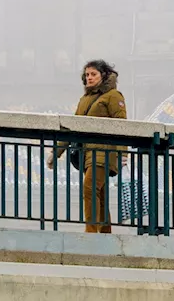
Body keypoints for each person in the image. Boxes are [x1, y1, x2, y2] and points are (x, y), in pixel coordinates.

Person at [46, 60, 126, 233]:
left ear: (103, 75)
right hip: (88, 152)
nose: (89, 78)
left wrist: (123, 153)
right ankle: (105, 233)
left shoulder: (114, 96)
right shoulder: (85, 99)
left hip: (105, 151)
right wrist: (57, 151)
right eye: (87, 74)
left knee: (89, 187)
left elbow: (122, 126)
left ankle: (91, 231)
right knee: (100, 194)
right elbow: (73, 126)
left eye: (93, 74)